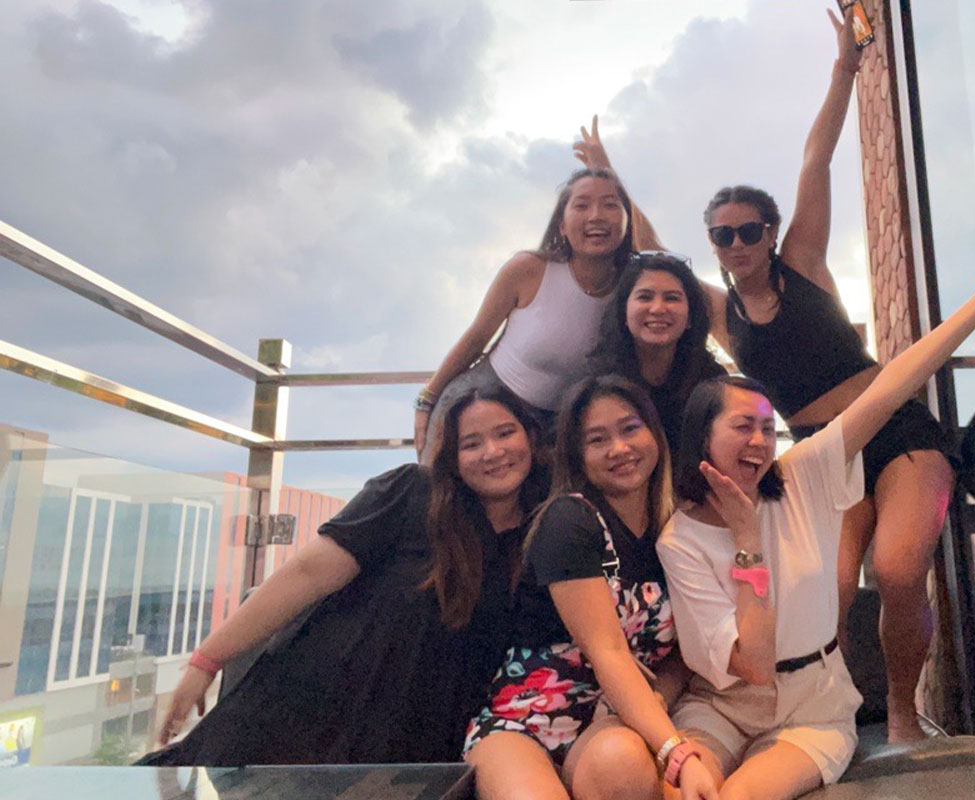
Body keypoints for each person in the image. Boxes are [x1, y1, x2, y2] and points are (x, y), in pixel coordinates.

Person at [659, 255, 975, 799]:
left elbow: (891, 386)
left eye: (765, 428)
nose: (758, 441)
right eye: (740, 427)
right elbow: (749, 666)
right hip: (723, 708)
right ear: (702, 437)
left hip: (813, 709)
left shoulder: (800, 475)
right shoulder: (679, 538)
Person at [700, 6, 952, 741]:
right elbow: (645, 262)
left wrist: (844, 69)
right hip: (821, 457)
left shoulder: (803, 263)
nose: (739, 241)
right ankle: (832, 721)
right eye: (723, 234)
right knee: (829, 594)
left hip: (896, 426)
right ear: (712, 244)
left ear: (771, 232)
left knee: (901, 571)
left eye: (750, 229)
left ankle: (905, 710)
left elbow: (816, 160)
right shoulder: (720, 313)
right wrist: (606, 182)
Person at [140, 386, 548, 765]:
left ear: (530, 436)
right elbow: (308, 573)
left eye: (505, 433)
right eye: (471, 443)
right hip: (317, 706)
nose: (492, 452)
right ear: (452, 457)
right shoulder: (412, 492)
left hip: (420, 743)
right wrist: (207, 660)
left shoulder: (545, 532)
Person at [463, 376, 716, 800]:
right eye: (597, 440)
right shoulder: (570, 520)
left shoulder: (676, 530)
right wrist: (677, 752)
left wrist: (657, 699)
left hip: (611, 719)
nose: (619, 449)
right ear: (579, 456)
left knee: (621, 761)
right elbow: (608, 652)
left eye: (630, 428)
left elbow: (684, 652)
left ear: (654, 433)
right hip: (525, 722)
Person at [414, 152, 659, 462]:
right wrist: (427, 400)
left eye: (610, 205)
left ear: (627, 222)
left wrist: (606, 165)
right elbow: (476, 338)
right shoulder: (529, 269)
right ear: (562, 224)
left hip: (555, 429)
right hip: (479, 405)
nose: (596, 216)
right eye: (582, 205)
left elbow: (659, 252)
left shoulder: (635, 289)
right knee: (442, 502)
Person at [591, 251, 727, 446]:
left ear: (690, 317)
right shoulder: (599, 384)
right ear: (623, 312)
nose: (658, 309)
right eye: (645, 297)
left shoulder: (713, 383)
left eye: (672, 298)